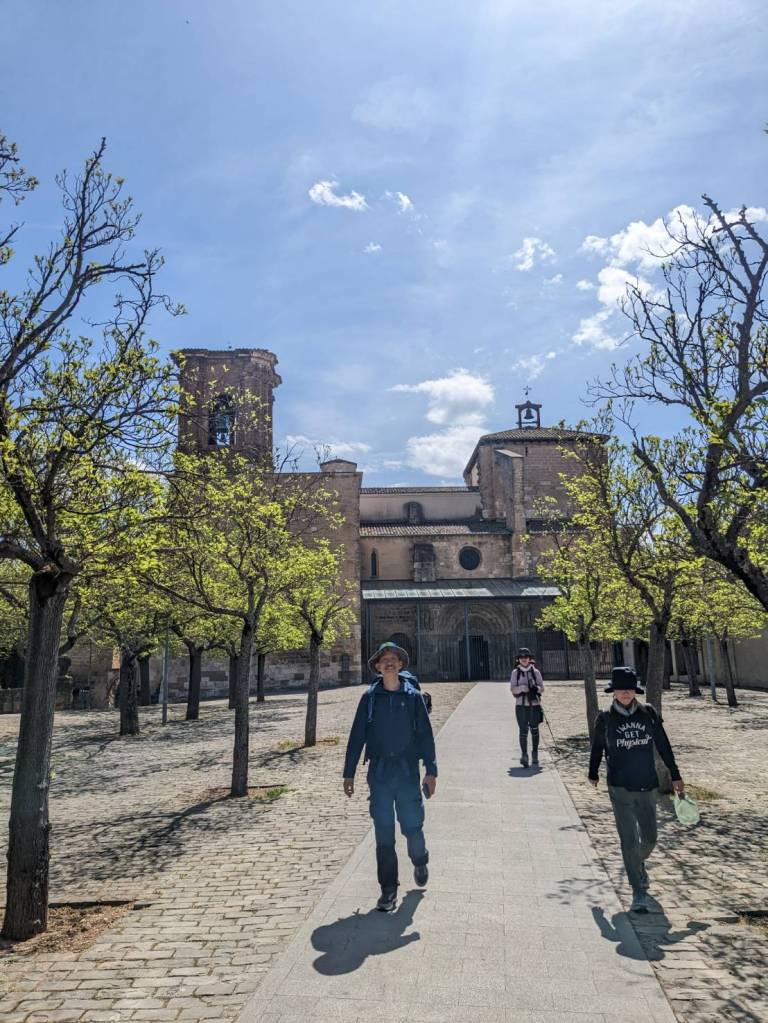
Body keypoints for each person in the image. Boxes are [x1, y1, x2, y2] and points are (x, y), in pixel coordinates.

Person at [343, 641, 437, 913]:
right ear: (377, 667)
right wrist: (349, 773)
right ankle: (388, 890)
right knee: (384, 833)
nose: (389, 662)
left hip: (407, 772)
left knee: (412, 826)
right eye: (384, 659)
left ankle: (419, 860)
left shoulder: (414, 697)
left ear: (401, 664)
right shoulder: (369, 699)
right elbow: (357, 736)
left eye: (393, 658)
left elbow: (426, 736)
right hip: (380, 774)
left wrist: (431, 771)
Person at [588, 666, 685, 913]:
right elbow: (597, 747)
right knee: (629, 840)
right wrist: (593, 772)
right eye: (621, 689)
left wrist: (675, 774)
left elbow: (663, 744)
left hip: (647, 784)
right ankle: (638, 891)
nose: (625, 693)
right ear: (613, 691)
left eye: (630, 689)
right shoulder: (605, 718)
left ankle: (637, 862)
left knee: (650, 838)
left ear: (635, 691)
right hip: (619, 786)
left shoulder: (648, 714)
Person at [510, 647, 544, 767]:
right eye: (521, 657)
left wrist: (536, 688)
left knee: (534, 729)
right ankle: (524, 755)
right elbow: (512, 689)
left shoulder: (536, 672)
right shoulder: (515, 673)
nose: (524, 659)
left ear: (529, 659)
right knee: (523, 730)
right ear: (518, 659)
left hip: (534, 705)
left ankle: (535, 753)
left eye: (526, 657)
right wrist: (522, 688)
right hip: (521, 706)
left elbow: (542, 688)